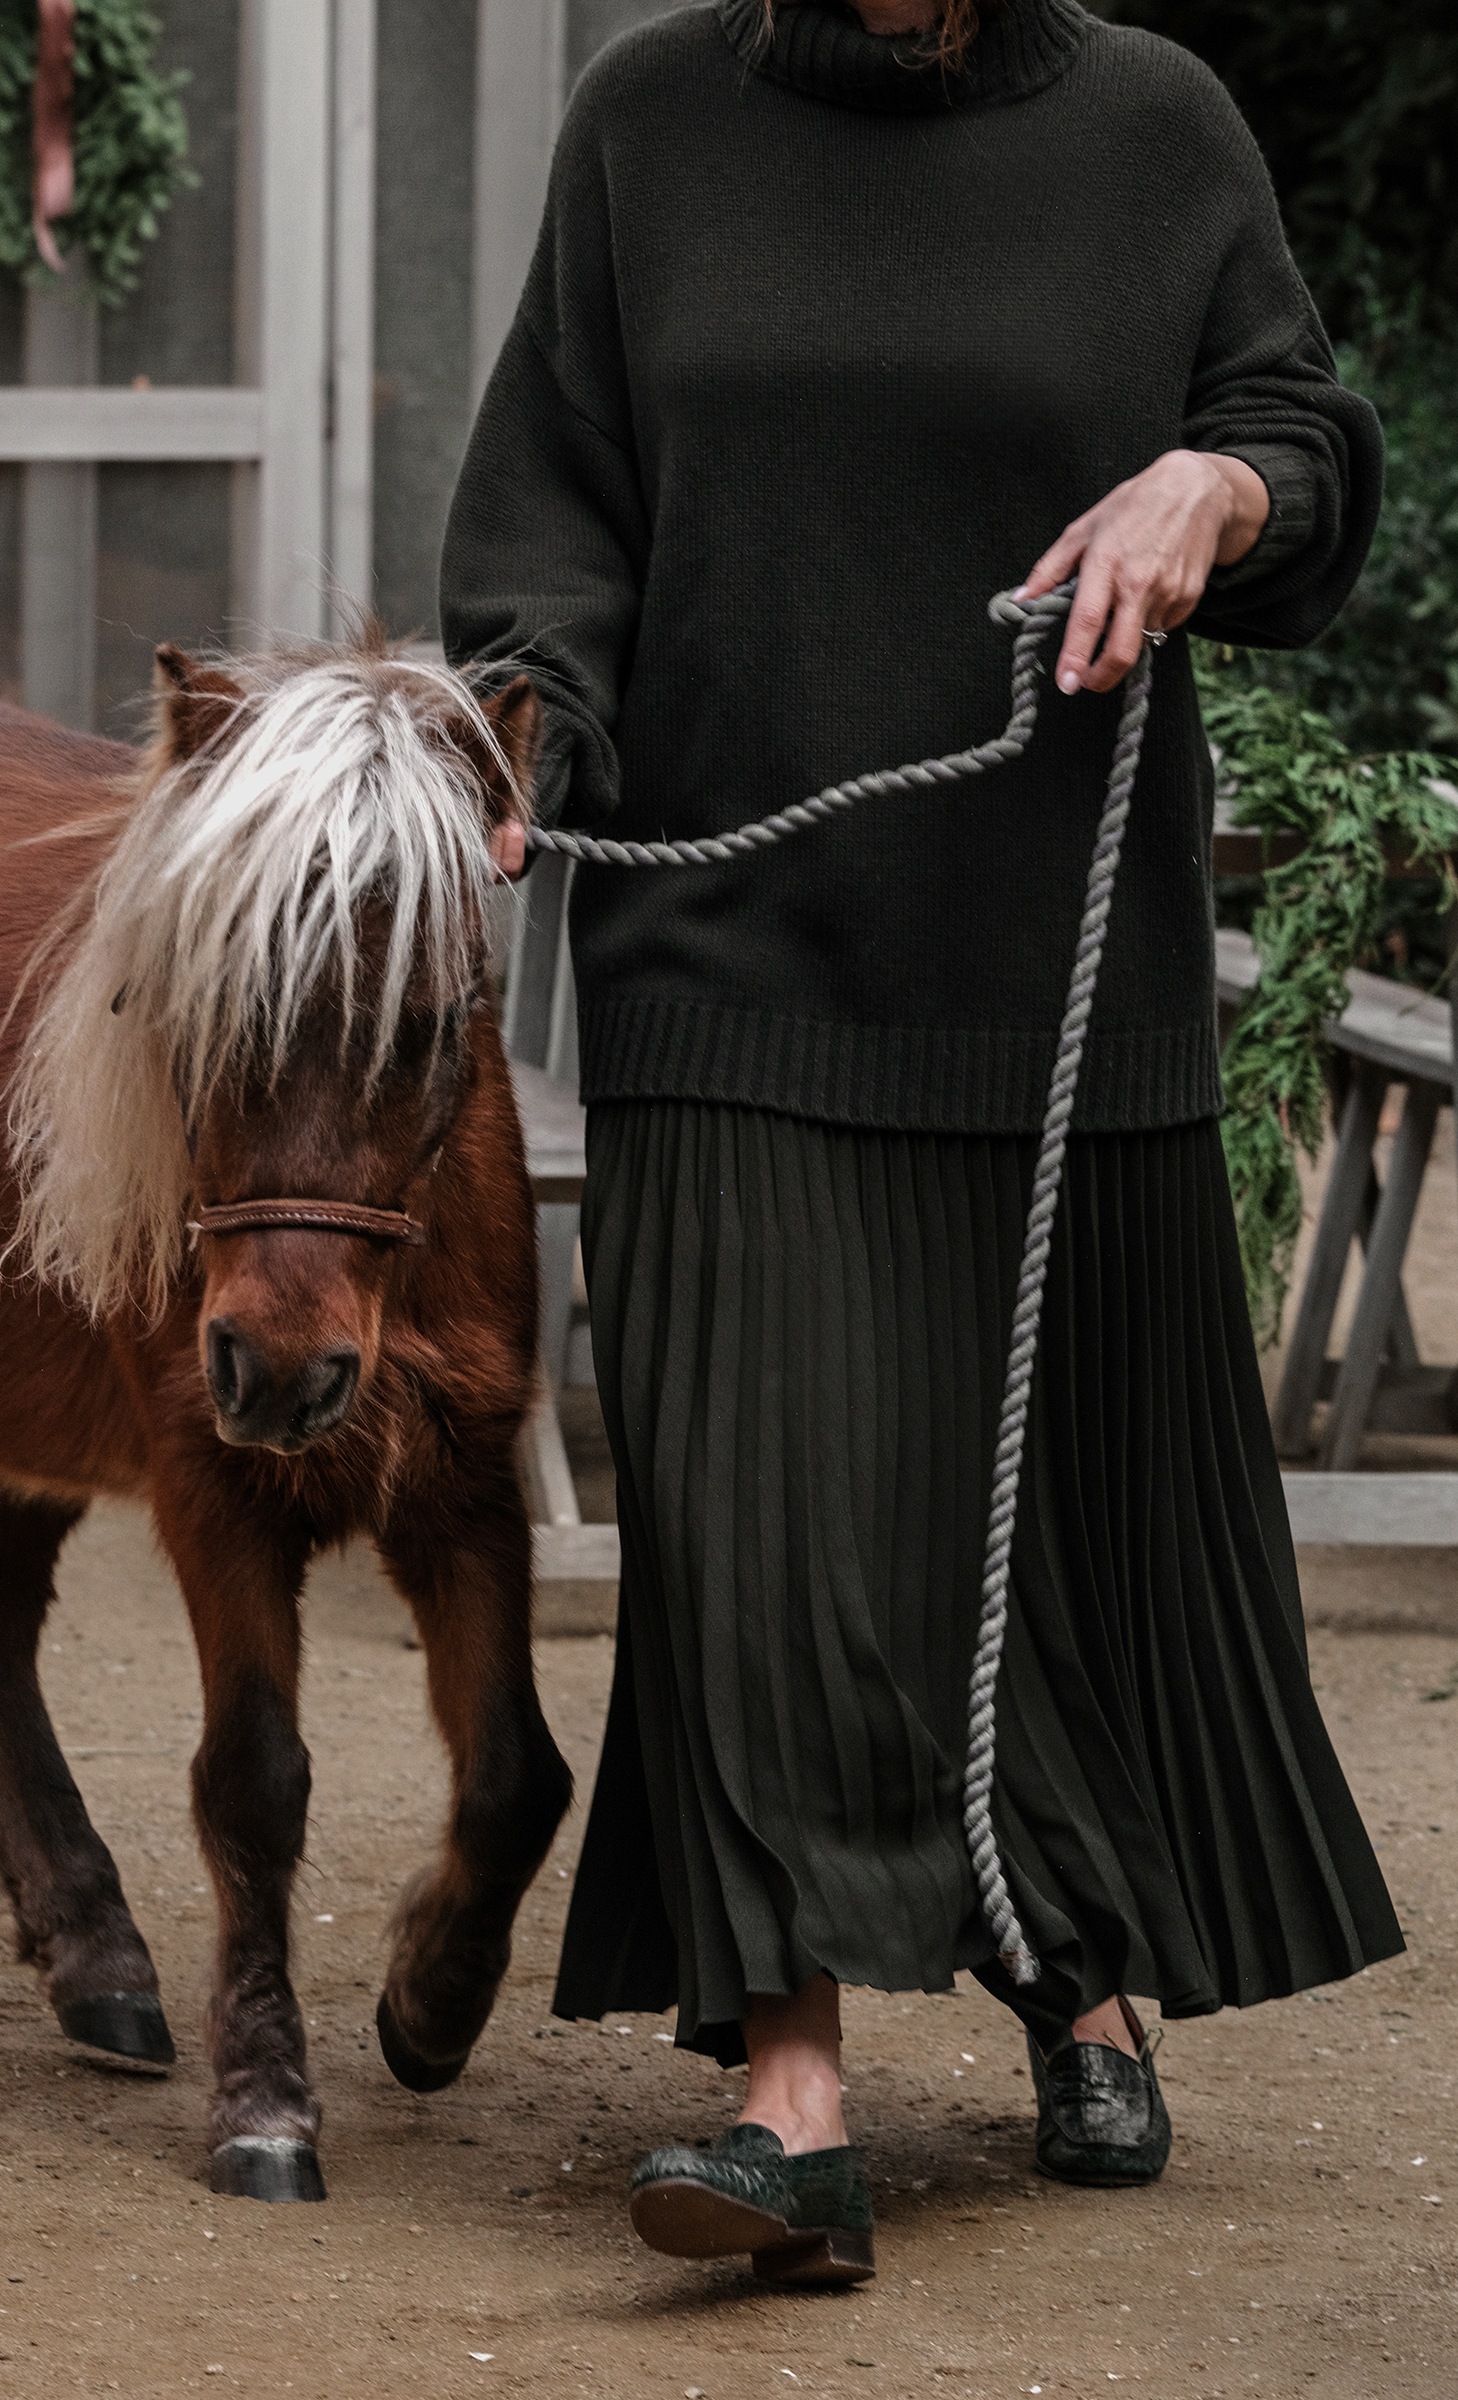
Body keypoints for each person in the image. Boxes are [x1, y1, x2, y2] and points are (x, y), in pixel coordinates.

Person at [441, 0, 1403, 2292]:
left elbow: (1301, 447)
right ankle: (788, 2100)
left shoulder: (1155, 127)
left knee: (1039, 1531)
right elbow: (554, 503)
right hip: (723, 951)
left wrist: (1216, 487)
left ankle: (1073, 1968)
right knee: (750, 1514)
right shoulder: (648, 121)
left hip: (1051, 967)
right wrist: (520, 716)